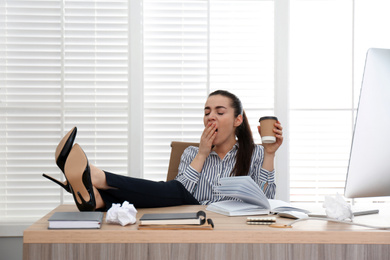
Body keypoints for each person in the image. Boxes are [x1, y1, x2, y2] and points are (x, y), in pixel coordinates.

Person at [43, 90, 283, 211]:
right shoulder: (192, 153)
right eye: (207, 112)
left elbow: (268, 201)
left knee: (166, 192)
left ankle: (98, 195)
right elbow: (180, 195)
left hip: (232, 225)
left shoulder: (257, 154)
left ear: (238, 120)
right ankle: (95, 187)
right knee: (168, 192)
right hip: (193, 217)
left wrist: (270, 154)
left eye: (220, 112)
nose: (211, 117)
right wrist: (201, 153)